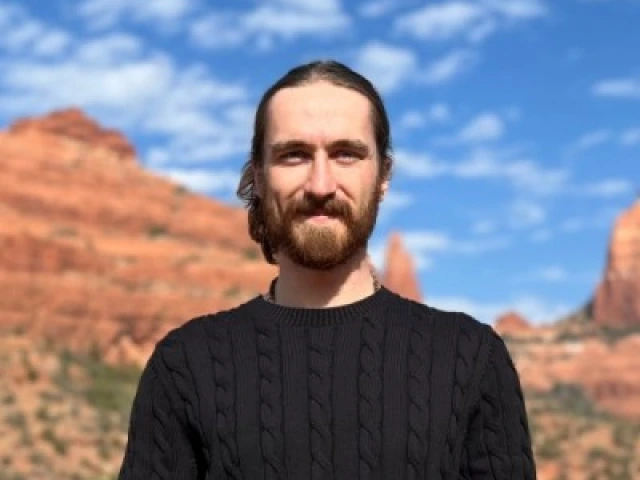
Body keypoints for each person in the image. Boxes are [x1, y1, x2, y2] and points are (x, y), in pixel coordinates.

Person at [118, 60, 537, 479]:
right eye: (294, 155)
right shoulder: (186, 364)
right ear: (259, 176)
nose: (320, 185)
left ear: (383, 176)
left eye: (346, 155)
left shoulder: (471, 357)